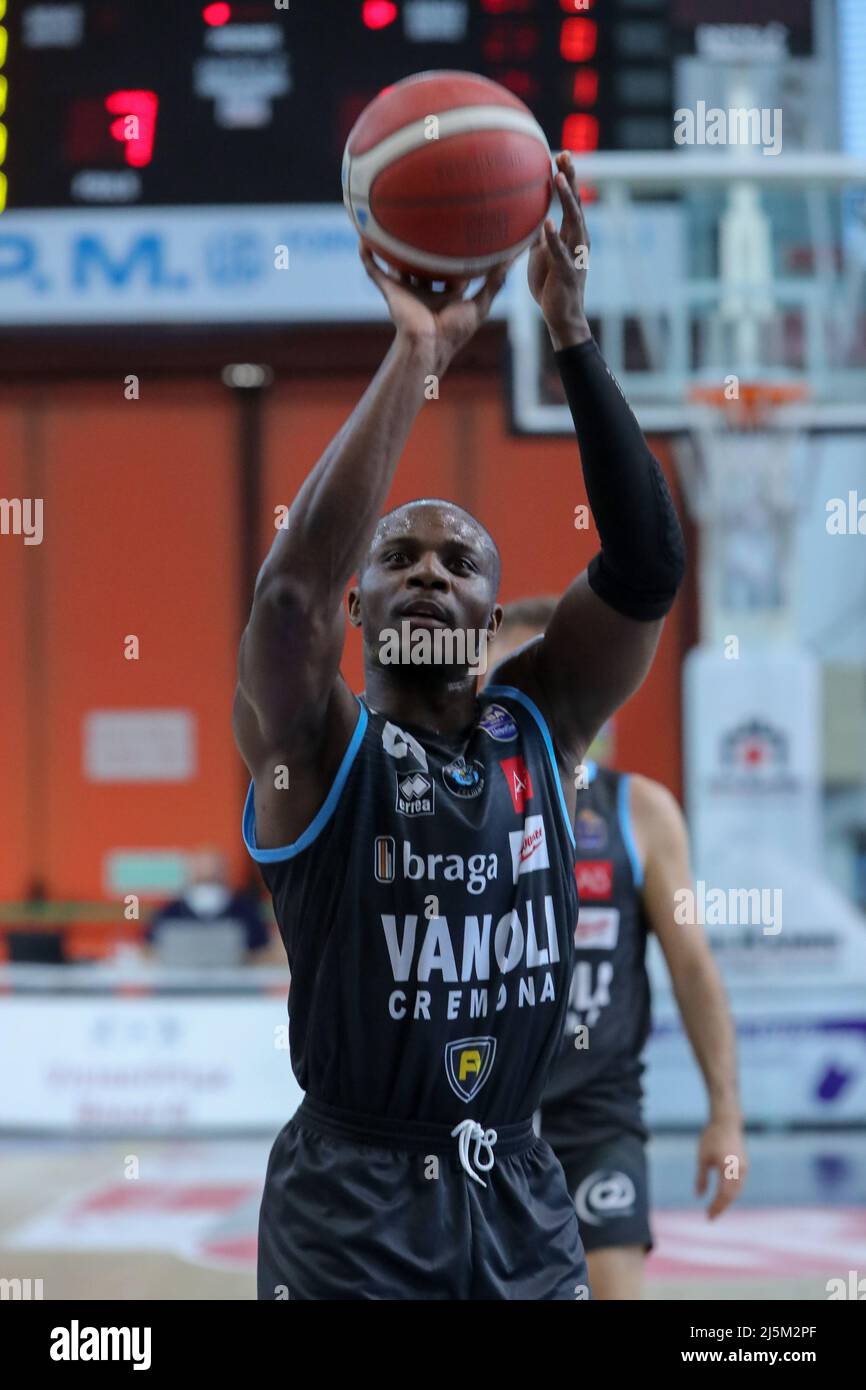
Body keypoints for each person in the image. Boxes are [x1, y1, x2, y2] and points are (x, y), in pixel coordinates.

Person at [234, 151, 685, 1300]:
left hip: (522, 1188)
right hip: (352, 1209)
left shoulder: (540, 719)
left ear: (494, 604)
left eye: (458, 560)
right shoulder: (322, 754)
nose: (429, 573)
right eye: (397, 557)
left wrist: (570, 334)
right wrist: (416, 355)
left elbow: (644, 570)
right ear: (361, 603)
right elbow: (284, 605)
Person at [485, 597, 749, 1300]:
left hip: (595, 1112)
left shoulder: (644, 813)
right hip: (471, 1108)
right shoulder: (445, 804)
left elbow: (693, 966)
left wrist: (725, 1114)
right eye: (518, 675)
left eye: (556, 674)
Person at [145, 847, 272, 962]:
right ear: (191, 875)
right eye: (202, 878)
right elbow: (148, 950)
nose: (207, 881)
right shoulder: (169, 913)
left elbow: (265, 951)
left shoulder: (246, 912)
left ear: (224, 874)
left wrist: (244, 959)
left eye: (213, 878)